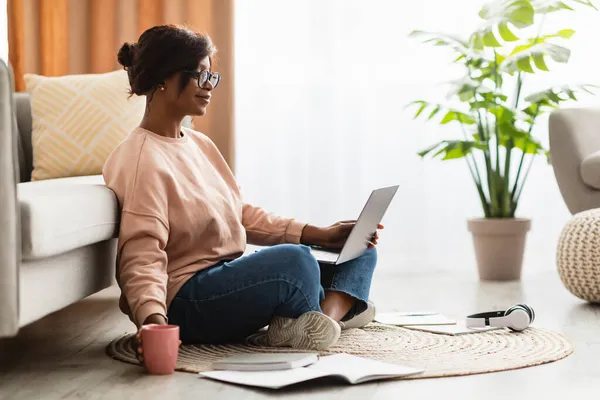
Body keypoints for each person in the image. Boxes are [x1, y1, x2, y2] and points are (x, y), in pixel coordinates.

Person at [102, 25, 382, 355]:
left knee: (360, 249)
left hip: (227, 280)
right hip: (187, 301)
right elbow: (140, 253)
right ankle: (333, 310)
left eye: (212, 77)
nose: (209, 86)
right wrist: (152, 320)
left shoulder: (199, 144)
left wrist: (319, 233)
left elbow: (239, 214)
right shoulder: (140, 158)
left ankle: (322, 322)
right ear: (163, 77)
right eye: (200, 75)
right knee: (296, 263)